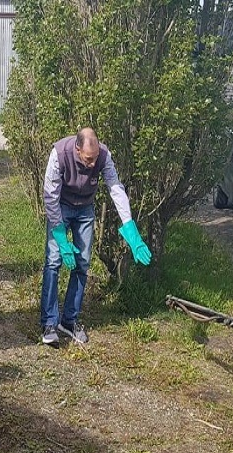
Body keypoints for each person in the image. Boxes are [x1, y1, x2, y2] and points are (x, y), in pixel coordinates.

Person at [40, 128, 152, 346]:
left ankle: (69, 321)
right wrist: (62, 239)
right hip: (60, 207)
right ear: (77, 148)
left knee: (82, 264)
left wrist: (130, 228)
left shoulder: (103, 155)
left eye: (95, 159)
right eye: (87, 159)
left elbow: (115, 187)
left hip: (85, 210)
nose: (92, 165)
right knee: (53, 262)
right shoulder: (59, 154)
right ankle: (49, 323)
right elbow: (50, 196)